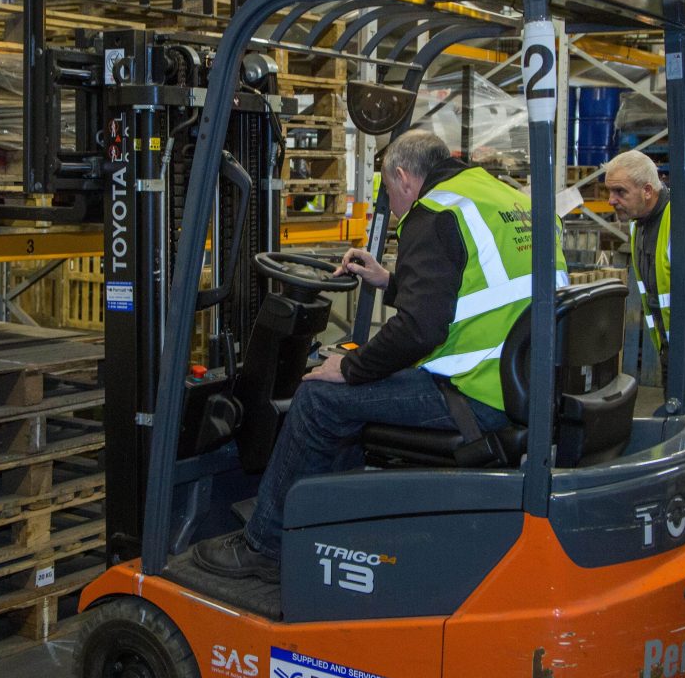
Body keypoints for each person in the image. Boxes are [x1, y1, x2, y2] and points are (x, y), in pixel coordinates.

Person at [196, 129, 566, 580]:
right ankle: (334, 527)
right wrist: (389, 282)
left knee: (317, 399)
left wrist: (350, 368)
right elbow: (470, 291)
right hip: (523, 381)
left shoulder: (435, 213)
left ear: (404, 177)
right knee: (350, 384)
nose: (393, 206)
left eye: (389, 191)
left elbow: (420, 330)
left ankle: (265, 546)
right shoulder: (503, 198)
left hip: (473, 392)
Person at [602, 150, 685, 388]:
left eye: (620, 191)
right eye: (609, 191)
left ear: (647, 191)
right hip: (674, 353)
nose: (611, 200)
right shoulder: (639, 224)